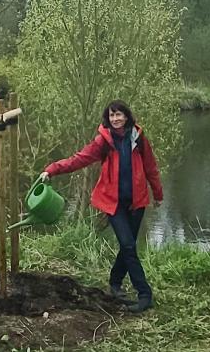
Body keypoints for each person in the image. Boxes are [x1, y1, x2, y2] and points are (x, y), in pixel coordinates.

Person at [39, 100, 164, 313]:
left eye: (119, 115)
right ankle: (145, 294)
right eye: (112, 115)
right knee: (128, 246)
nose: (116, 119)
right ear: (108, 118)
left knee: (128, 245)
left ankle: (115, 282)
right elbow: (78, 160)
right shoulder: (103, 142)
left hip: (136, 201)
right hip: (113, 203)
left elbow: (151, 167)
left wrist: (158, 194)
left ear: (127, 116)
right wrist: (52, 170)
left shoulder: (139, 139)